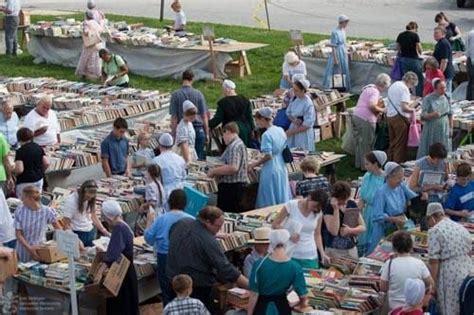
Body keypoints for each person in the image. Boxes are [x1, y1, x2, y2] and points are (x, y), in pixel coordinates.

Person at [166, 206, 248, 310]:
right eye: (218, 227)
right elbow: (225, 268)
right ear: (208, 222)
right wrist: (249, 286)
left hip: (173, 280)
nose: (219, 230)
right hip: (197, 286)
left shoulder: (181, 223)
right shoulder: (208, 241)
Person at [145, 189, 193, 305]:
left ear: (169, 202)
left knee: (167, 292)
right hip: (184, 257)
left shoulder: (161, 219)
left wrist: (149, 222)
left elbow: (149, 239)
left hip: (164, 257)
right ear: (185, 204)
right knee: (184, 289)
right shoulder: (191, 220)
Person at [247, 229, 309, 315]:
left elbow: (254, 294)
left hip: (261, 308)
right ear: (287, 243)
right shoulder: (295, 267)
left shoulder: (259, 265)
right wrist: (300, 304)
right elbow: (303, 295)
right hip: (282, 307)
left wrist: (249, 313)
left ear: (271, 243)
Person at [426, 202, 473, 315]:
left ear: (432, 217)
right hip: (467, 269)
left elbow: (434, 261)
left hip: (449, 274)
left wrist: (433, 284)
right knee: (465, 304)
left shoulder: (435, 231)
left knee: (450, 307)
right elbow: (469, 251)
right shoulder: (460, 227)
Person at [272, 189, 330, 269]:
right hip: (291, 253)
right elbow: (275, 224)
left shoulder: (318, 213)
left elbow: (317, 234)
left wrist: (322, 253)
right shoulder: (291, 205)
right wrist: (289, 235)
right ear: (309, 198)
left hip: (310, 254)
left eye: (318, 208)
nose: (315, 210)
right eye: (314, 206)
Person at [100, 200, 139, 315]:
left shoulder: (118, 229)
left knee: (121, 306)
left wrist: (103, 263)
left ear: (109, 217)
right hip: (128, 271)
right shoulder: (124, 225)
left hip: (122, 274)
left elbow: (113, 254)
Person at [380, 231, 433, 311]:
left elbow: (383, 287)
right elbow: (430, 283)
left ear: (394, 247)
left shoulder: (389, 264)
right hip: (414, 307)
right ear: (411, 246)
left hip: (395, 307)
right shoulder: (419, 263)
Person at [370, 162, 418, 250]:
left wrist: (422, 195)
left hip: (399, 226)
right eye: (398, 178)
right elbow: (377, 216)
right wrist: (393, 219)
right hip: (384, 230)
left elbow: (414, 197)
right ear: (389, 177)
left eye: (402, 178)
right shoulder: (381, 193)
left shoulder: (401, 187)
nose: (401, 180)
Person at [251, 107, 290, 208]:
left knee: (269, 193)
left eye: (257, 120)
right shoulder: (280, 130)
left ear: (263, 119)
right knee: (280, 189)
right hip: (281, 164)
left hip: (271, 167)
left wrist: (254, 164)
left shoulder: (266, 135)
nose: (257, 123)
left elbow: (268, 156)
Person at [351, 73, 391, 169]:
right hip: (366, 118)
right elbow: (371, 105)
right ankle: (366, 167)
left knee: (360, 142)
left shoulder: (368, 88)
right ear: (383, 85)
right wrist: (383, 110)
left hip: (357, 115)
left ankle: (359, 163)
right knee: (367, 143)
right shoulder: (375, 92)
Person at [207, 122, 248, 213]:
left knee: (226, 214)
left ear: (229, 132)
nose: (223, 137)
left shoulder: (234, 146)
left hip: (231, 188)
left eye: (223, 134)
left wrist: (214, 171)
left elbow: (233, 167)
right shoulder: (238, 144)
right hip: (235, 187)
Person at [14, 185, 61, 262]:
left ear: (30, 199)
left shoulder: (47, 211)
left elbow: (59, 229)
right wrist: (30, 249)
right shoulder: (20, 211)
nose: (21, 199)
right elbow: (18, 234)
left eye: (23, 197)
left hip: (40, 249)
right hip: (23, 249)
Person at [170, 70, 209, 161]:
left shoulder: (176, 95)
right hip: (198, 129)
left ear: (182, 79)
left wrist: (173, 132)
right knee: (198, 160)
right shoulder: (198, 94)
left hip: (183, 130)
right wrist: (206, 132)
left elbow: (174, 117)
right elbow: (204, 115)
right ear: (192, 79)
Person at [322, 181, 365, 259]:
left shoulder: (351, 204)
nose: (345, 202)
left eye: (346, 198)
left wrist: (350, 230)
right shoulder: (328, 206)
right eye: (342, 199)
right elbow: (334, 231)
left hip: (351, 247)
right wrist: (336, 209)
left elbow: (363, 227)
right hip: (334, 249)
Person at [63, 180, 110, 247]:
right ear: (83, 193)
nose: (89, 199)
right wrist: (76, 240)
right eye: (87, 197)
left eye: (91, 198)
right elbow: (66, 225)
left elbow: (93, 216)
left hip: (90, 231)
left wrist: (104, 231)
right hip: (77, 233)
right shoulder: (71, 201)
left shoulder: (90, 199)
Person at [357, 151, 387, 256]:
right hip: (367, 213)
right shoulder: (367, 176)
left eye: (367, 164)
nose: (365, 166)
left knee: (376, 240)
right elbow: (362, 198)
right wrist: (356, 214)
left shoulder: (386, 179)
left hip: (380, 213)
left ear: (375, 164)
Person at [209, 80, 255, 147]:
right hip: (245, 129)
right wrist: (252, 129)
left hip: (231, 130)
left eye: (223, 90)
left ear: (227, 89)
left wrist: (209, 124)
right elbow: (249, 117)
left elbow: (218, 119)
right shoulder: (245, 100)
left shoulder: (223, 103)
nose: (223, 92)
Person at [386, 72, 418, 163]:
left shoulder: (394, 84)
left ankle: (389, 162)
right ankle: (397, 165)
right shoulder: (404, 89)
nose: (411, 88)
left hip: (390, 116)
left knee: (392, 143)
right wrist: (413, 110)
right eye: (412, 85)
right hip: (399, 118)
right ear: (411, 82)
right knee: (400, 144)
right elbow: (404, 107)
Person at [417, 80, 452, 159]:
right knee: (432, 147)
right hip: (432, 128)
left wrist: (451, 127)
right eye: (441, 88)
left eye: (444, 88)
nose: (444, 90)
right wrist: (432, 115)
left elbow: (450, 113)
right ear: (435, 89)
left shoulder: (446, 97)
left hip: (444, 126)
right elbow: (423, 116)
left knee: (444, 147)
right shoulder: (428, 99)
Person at [410, 143, 449, 208]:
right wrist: (432, 187)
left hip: (440, 196)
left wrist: (445, 186)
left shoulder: (443, 163)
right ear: (431, 157)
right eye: (438, 160)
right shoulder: (420, 165)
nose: (439, 162)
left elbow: (446, 179)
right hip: (424, 197)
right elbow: (412, 187)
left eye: (441, 160)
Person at [14, 128, 49, 198]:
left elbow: (20, 169)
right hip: (38, 179)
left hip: (25, 181)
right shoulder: (38, 147)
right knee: (37, 201)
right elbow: (46, 163)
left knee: (24, 203)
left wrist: (13, 171)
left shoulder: (20, 151)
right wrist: (41, 171)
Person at [152, 133, 186, 199]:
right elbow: (183, 177)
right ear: (172, 145)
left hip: (165, 193)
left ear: (159, 145)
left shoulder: (156, 160)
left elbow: (155, 181)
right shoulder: (180, 159)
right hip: (180, 192)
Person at [286, 78, 316, 152]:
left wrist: (292, 131)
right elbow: (288, 113)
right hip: (294, 127)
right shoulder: (294, 98)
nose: (294, 92)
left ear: (303, 91)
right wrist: (294, 120)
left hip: (303, 133)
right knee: (292, 151)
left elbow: (308, 124)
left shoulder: (308, 103)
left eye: (296, 90)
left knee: (302, 151)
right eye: (293, 89)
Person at [323, 15, 351, 91]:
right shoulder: (335, 32)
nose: (346, 25)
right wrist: (335, 59)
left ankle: (344, 87)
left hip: (343, 51)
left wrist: (347, 51)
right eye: (346, 23)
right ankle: (336, 87)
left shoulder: (343, 31)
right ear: (341, 23)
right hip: (337, 53)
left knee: (344, 69)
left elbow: (344, 43)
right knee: (337, 70)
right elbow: (333, 46)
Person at [396, 22, 424, 97]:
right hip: (413, 59)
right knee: (418, 78)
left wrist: (401, 52)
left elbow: (397, 47)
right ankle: (419, 96)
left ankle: (407, 94)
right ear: (414, 28)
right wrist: (421, 52)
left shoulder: (401, 35)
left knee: (407, 78)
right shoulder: (415, 35)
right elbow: (419, 47)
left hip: (403, 59)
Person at [75, 10, 105, 80]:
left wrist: (85, 32)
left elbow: (86, 32)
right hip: (97, 43)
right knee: (95, 60)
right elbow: (101, 29)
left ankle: (84, 74)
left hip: (89, 43)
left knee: (85, 59)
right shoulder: (96, 22)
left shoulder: (86, 23)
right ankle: (97, 74)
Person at [433, 27, 455, 97]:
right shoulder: (439, 43)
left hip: (445, 73)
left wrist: (440, 73)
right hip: (442, 72)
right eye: (434, 33)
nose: (434, 35)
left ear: (443, 34)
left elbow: (444, 60)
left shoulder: (444, 44)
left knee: (446, 93)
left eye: (437, 33)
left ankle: (448, 107)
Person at [466, 27, 474, 101]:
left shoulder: (470, 33)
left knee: (471, 82)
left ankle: (469, 100)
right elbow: (472, 50)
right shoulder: (472, 34)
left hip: (469, 60)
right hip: (472, 61)